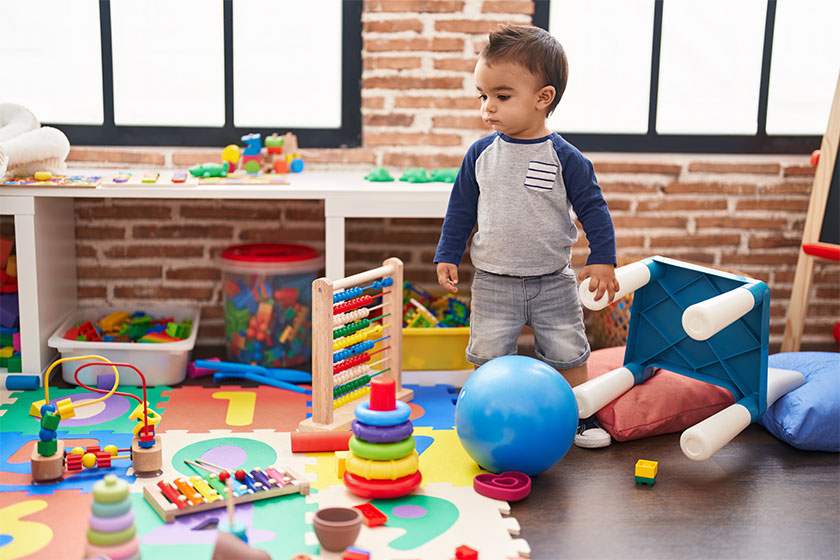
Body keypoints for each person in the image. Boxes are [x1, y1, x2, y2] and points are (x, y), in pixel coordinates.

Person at [434, 25, 619, 448]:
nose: (488, 108)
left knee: (569, 353)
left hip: (553, 281)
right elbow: (460, 209)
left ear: (543, 98)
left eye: (501, 96)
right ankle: (480, 419)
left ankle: (580, 417)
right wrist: (448, 253)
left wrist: (602, 258)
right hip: (493, 281)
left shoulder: (566, 158)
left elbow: (594, 210)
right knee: (488, 357)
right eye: (482, 96)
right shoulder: (480, 154)